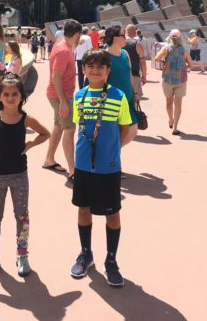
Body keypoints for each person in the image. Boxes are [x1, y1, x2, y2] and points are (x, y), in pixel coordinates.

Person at [0, 73, 50, 277]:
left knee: (22, 216)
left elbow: (45, 133)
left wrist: (31, 144)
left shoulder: (26, 119)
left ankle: (22, 254)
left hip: (20, 175)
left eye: (15, 94)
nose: (11, 98)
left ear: (21, 96)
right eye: (6, 94)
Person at [70, 49, 137, 287]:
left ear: (108, 71)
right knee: (83, 208)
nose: (95, 70)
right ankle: (86, 253)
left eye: (100, 67)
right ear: (84, 69)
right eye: (90, 66)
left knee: (112, 212)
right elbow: (80, 128)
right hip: (83, 165)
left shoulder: (118, 96)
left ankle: (111, 259)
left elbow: (126, 129)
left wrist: (112, 150)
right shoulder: (79, 95)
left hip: (108, 167)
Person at [43, 19, 82, 178]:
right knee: (70, 129)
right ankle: (73, 171)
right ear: (77, 33)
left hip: (59, 95)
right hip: (61, 96)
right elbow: (56, 76)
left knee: (59, 126)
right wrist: (64, 101)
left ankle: (49, 159)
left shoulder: (62, 45)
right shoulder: (64, 50)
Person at [155, 29, 193, 135]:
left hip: (167, 79)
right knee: (178, 104)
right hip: (181, 80)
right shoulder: (184, 51)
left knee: (168, 102)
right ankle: (175, 127)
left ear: (170, 38)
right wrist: (185, 67)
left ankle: (170, 120)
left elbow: (156, 58)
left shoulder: (166, 48)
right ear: (180, 38)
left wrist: (165, 62)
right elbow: (191, 65)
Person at [105, 25, 138, 126]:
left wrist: (135, 93)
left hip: (128, 98)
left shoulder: (125, 53)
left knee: (132, 129)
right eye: (123, 35)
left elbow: (130, 75)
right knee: (120, 132)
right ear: (115, 38)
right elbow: (103, 82)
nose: (126, 37)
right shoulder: (105, 56)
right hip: (114, 100)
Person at [124, 24, 147, 99]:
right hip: (134, 74)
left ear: (125, 31)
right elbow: (142, 62)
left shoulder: (119, 43)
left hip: (122, 75)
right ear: (135, 33)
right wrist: (144, 75)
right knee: (135, 100)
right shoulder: (137, 44)